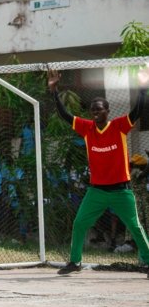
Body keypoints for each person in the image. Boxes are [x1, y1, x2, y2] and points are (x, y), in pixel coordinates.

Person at [47, 68, 149, 276]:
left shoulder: (119, 127)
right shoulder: (87, 129)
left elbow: (137, 111)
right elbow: (65, 115)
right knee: (79, 223)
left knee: (136, 227)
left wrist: (142, 88)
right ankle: (75, 262)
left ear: (107, 111)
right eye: (93, 110)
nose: (95, 112)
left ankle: (147, 260)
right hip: (97, 192)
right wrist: (54, 90)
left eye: (99, 109)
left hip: (121, 190)